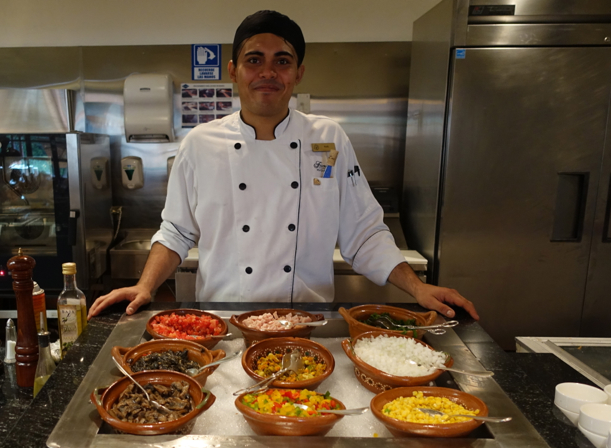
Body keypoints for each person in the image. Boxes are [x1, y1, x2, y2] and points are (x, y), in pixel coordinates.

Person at [89, 10, 478, 321]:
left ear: (298, 73)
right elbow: (176, 231)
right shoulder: (200, 143)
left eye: (282, 61)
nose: (268, 72)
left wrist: (418, 288)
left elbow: (363, 233)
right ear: (233, 71)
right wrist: (145, 286)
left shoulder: (327, 138)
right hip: (223, 325)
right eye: (254, 60)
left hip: (307, 324)